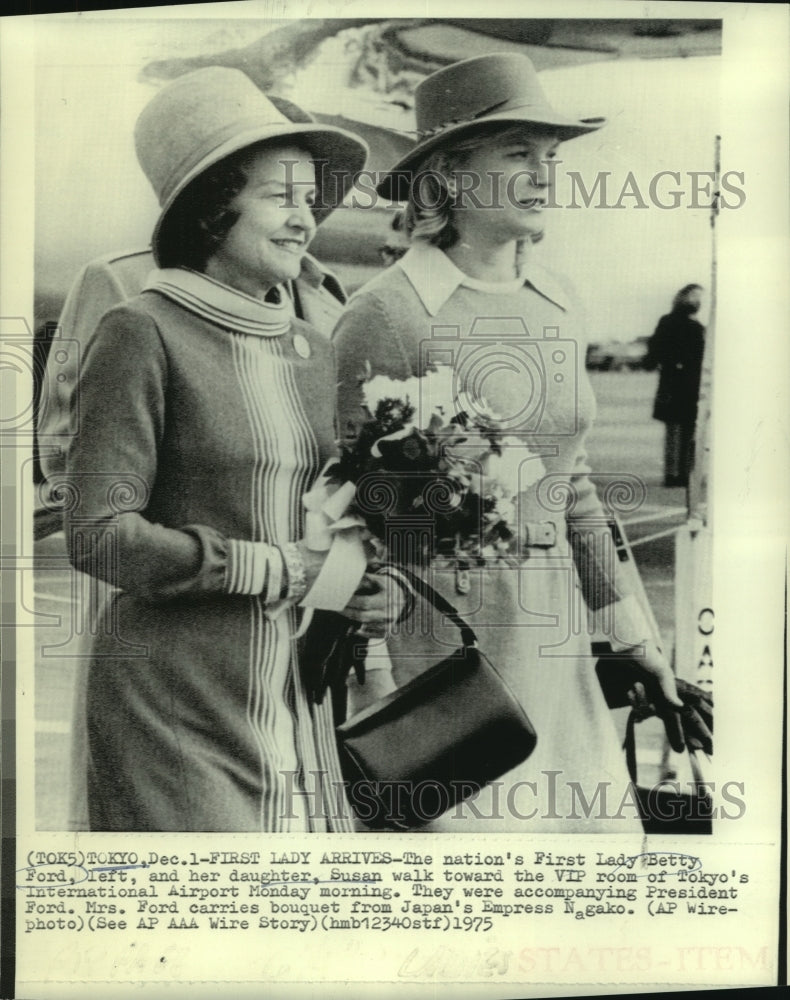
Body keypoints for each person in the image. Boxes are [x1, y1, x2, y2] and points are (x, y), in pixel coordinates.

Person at [333, 53, 683, 833]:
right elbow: (355, 512)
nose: (544, 172)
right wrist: (382, 672)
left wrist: (634, 635)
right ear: (451, 176)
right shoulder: (387, 314)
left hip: (555, 651)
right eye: (519, 153)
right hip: (445, 661)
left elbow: (576, 488)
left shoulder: (559, 301)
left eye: (549, 156)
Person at [63, 66, 402, 831]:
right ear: (215, 208)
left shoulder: (316, 350)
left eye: (310, 202)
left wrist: (369, 589)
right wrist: (272, 567)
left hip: (293, 700)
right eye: (281, 197)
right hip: (172, 706)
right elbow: (98, 537)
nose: (304, 221)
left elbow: (325, 527)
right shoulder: (142, 331)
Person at [643, 284, 706, 487]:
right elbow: (656, 350)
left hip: (680, 383)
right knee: (681, 430)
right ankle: (678, 473)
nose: (698, 302)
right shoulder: (685, 325)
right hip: (680, 384)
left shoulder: (682, 324)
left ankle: (678, 473)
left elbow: (654, 351)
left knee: (680, 430)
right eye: (695, 297)